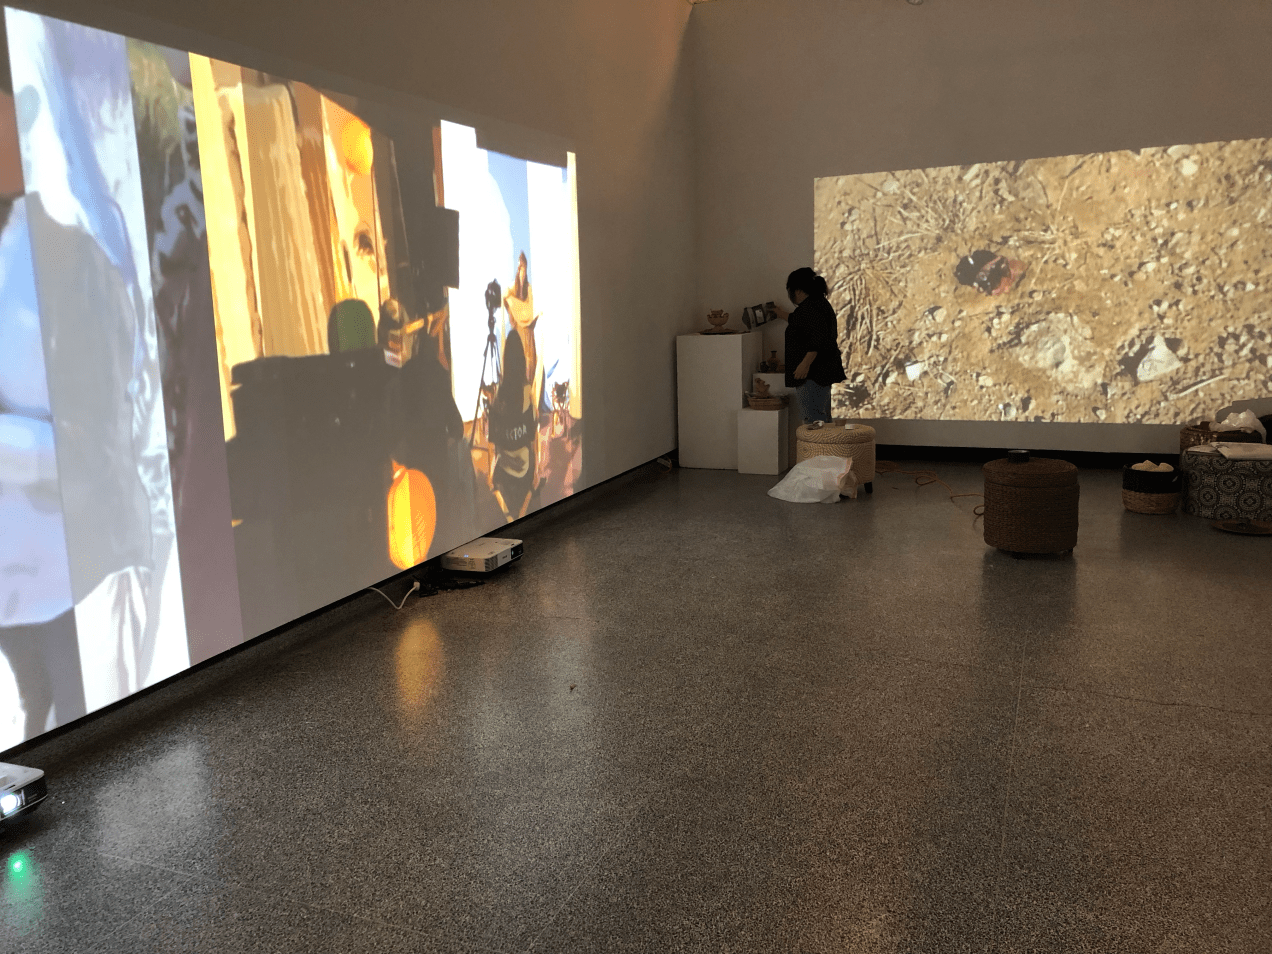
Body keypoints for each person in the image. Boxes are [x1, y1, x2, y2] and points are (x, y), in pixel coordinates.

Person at [778, 267, 846, 424]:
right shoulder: (817, 305)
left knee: (814, 423)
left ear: (798, 291)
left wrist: (804, 364)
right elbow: (799, 321)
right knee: (821, 420)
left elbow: (817, 339)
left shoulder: (811, 308)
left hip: (812, 376)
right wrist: (779, 313)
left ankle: (817, 443)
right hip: (819, 374)